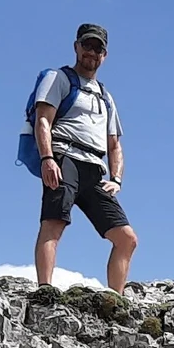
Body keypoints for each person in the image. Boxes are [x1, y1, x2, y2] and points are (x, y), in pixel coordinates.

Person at [32, 24, 136, 293]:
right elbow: (43, 119)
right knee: (54, 222)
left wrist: (117, 179)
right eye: (87, 45)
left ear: (105, 55)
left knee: (126, 239)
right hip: (64, 156)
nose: (91, 52)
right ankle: (45, 289)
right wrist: (47, 158)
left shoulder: (105, 96)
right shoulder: (59, 78)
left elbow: (115, 144)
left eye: (98, 48)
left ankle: (117, 298)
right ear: (76, 46)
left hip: (94, 169)